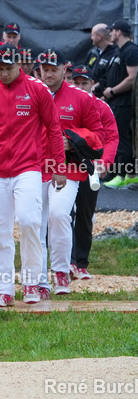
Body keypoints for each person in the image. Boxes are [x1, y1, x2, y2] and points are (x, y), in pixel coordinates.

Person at [0, 45, 64, 307]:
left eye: (8, 68)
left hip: (29, 168)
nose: (3, 73)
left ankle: (32, 282)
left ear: (20, 64)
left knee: (29, 222)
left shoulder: (37, 89)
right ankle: (3, 289)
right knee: (0, 231)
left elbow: (53, 128)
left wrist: (59, 166)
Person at [35, 50, 116, 297]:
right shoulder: (30, 92)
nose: (49, 74)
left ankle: (61, 271)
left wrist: (73, 139)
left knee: (59, 215)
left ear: (64, 70)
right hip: (33, 167)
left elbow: (100, 136)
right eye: (45, 69)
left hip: (69, 168)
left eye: (54, 69)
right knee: (34, 222)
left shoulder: (81, 98)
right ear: (39, 70)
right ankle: (37, 279)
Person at [70, 65, 119, 279]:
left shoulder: (102, 107)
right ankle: (65, 262)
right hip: (65, 166)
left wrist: (104, 163)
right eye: (76, 83)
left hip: (91, 168)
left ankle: (80, 262)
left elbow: (112, 137)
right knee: (61, 214)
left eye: (84, 83)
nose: (80, 87)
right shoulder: (64, 103)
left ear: (92, 84)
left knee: (84, 214)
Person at [101, 19, 138, 188]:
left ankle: (122, 175)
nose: (110, 33)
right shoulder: (119, 51)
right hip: (115, 102)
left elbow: (132, 78)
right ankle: (118, 173)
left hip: (124, 103)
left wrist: (113, 91)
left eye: (113, 30)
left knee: (122, 138)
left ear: (119, 32)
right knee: (116, 137)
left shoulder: (131, 51)